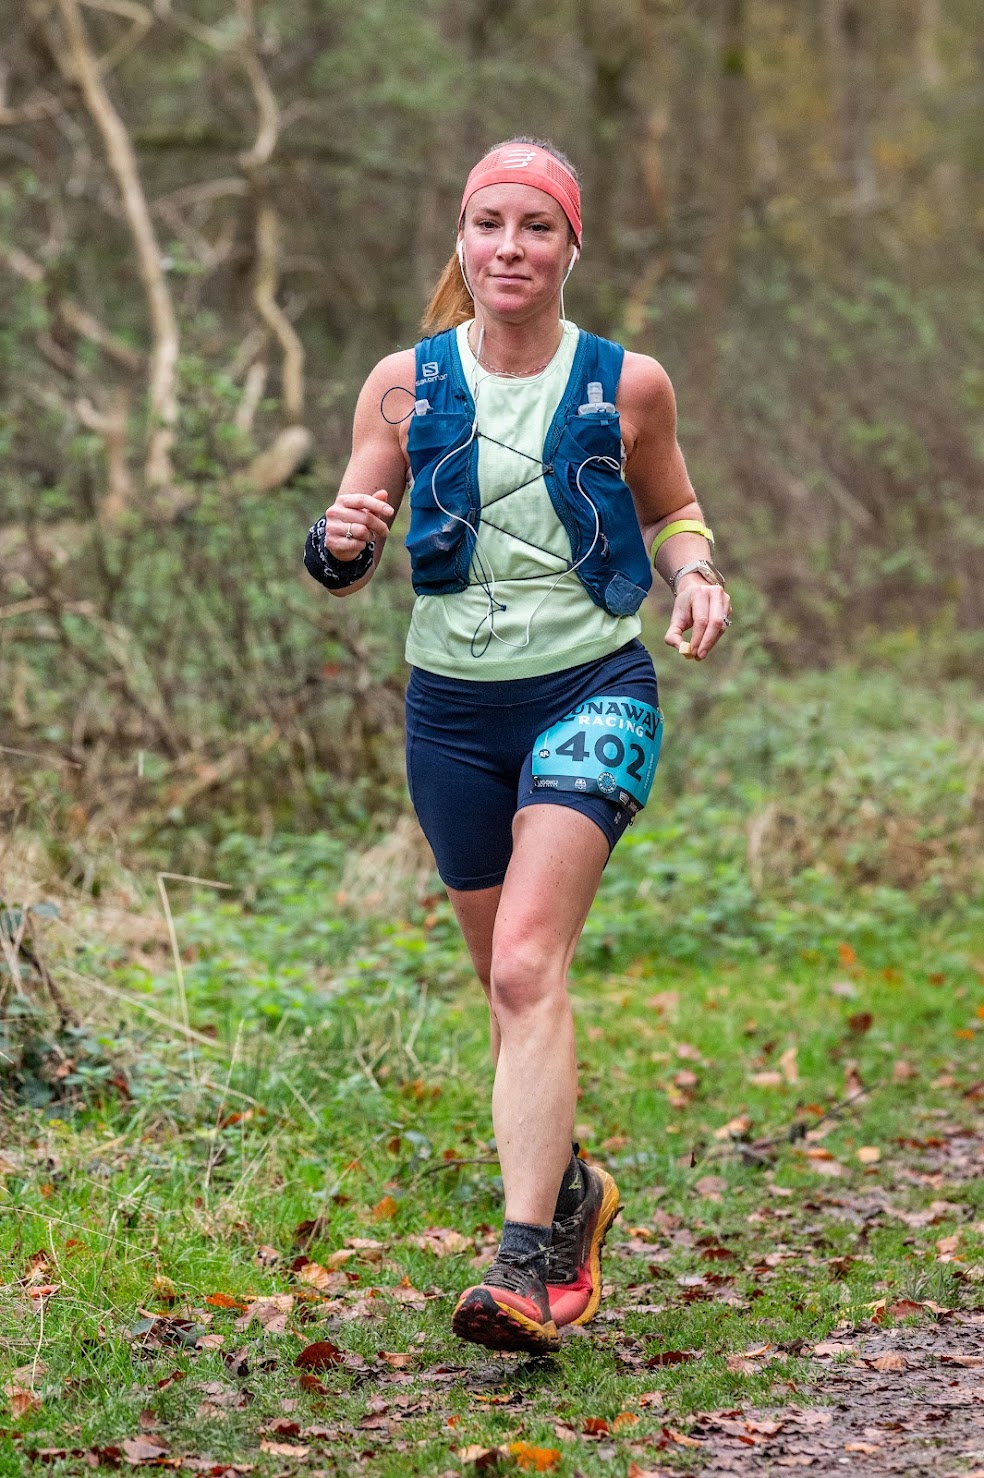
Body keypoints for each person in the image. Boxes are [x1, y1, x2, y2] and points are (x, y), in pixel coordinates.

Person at [304, 138, 731, 1355]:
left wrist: (696, 574)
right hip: (451, 712)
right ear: (461, 238)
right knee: (504, 986)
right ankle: (575, 1188)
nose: (510, 246)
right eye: (489, 223)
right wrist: (341, 539)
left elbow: (673, 508)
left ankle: (528, 1262)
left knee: (530, 963)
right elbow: (344, 550)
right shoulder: (404, 383)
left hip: (594, 687)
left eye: (536, 227)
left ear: (570, 247)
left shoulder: (626, 382)